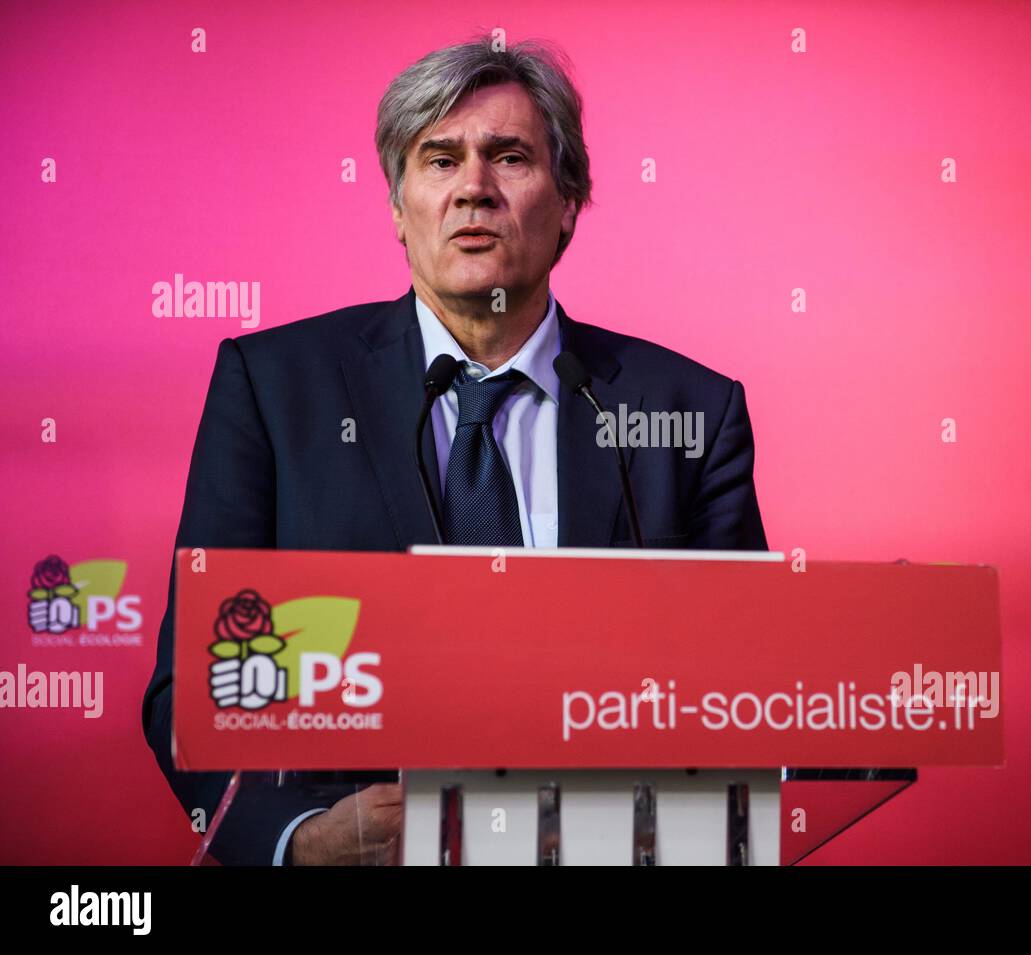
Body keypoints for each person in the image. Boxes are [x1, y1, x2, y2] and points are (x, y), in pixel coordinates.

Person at [141, 35, 767, 865]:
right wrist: (296, 840)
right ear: (399, 208)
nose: (474, 187)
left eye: (509, 157)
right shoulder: (274, 386)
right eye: (439, 160)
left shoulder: (687, 408)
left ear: (570, 198)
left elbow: (750, 692)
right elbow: (192, 687)